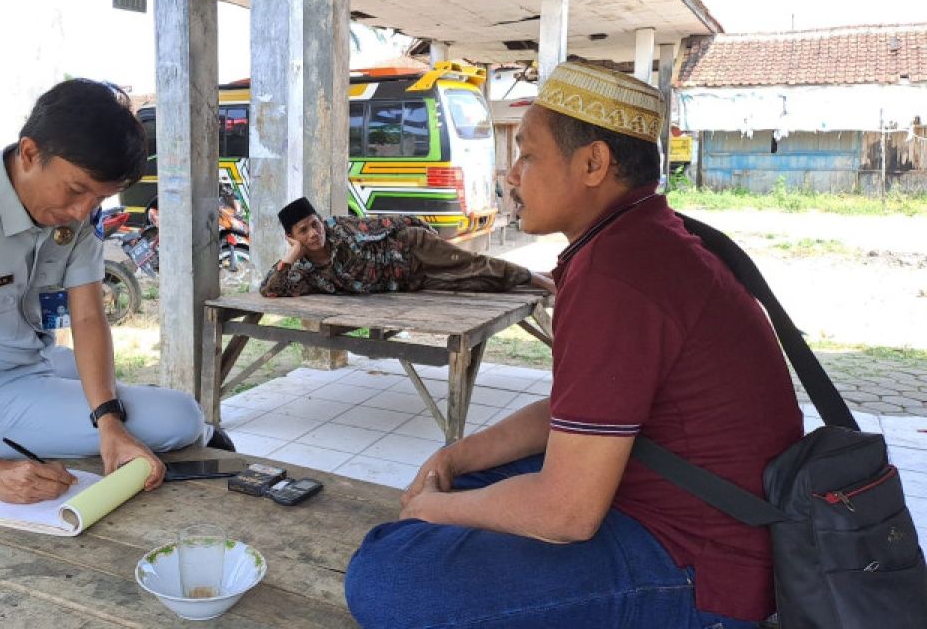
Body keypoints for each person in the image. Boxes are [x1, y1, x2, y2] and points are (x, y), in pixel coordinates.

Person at [344, 61, 803, 628]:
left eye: (529, 154)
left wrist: (438, 512)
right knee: (459, 489)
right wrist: (453, 458)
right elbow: (575, 413)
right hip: (680, 509)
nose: (513, 175)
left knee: (386, 577)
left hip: (701, 568)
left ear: (592, 164)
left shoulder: (621, 271)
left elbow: (567, 513)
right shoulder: (642, 238)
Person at [0, 79, 216, 506]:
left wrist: (109, 422)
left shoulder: (76, 212)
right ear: (30, 153)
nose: (80, 212)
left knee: (137, 409)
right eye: (76, 190)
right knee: (179, 417)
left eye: (99, 198)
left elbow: (89, 318)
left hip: (36, 363)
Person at [259, 198, 549, 297]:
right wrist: (291, 257)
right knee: (472, 282)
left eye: (315, 224)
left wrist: (427, 233)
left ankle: (539, 279)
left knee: (470, 262)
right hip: (410, 280)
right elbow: (270, 290)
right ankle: (529, 277)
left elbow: (389, 222)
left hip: (412, 247)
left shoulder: (339, 228)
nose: (314, 233)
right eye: (303, 230)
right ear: (291, 237)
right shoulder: (303, 271)